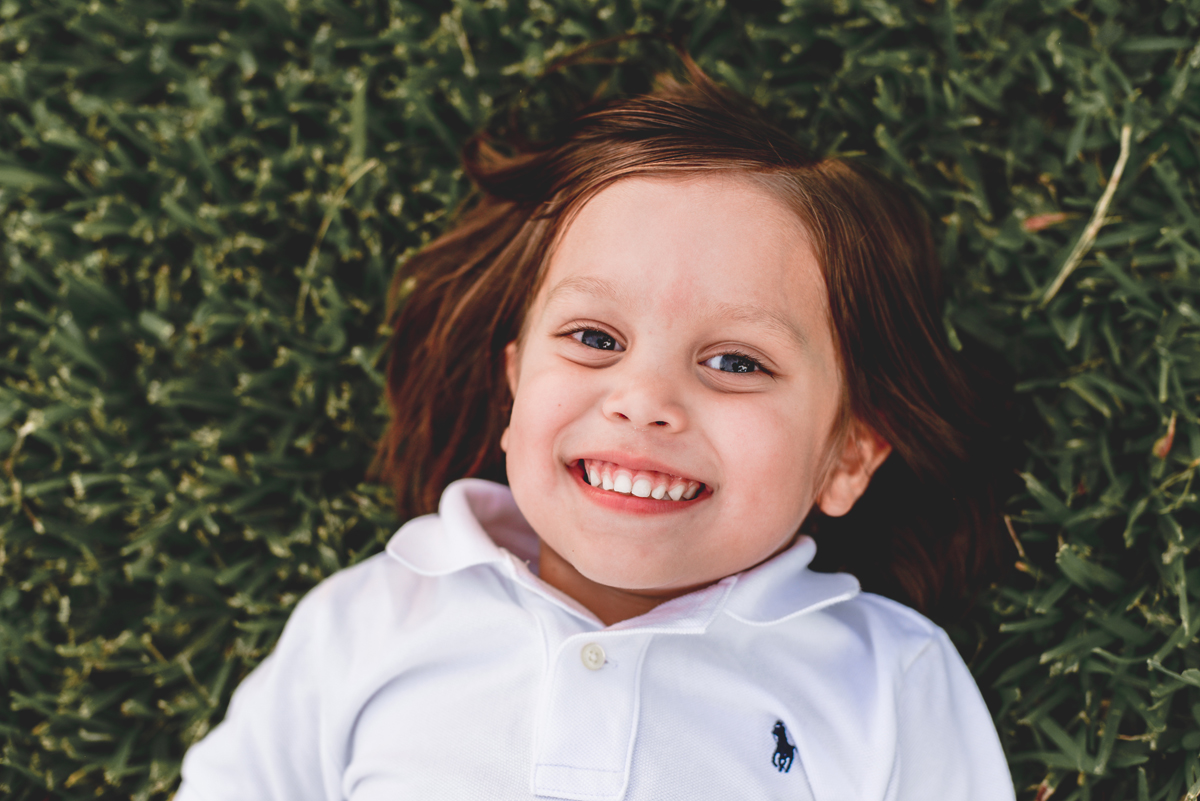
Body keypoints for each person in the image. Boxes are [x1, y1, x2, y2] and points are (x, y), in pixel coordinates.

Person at [176, 58, 1017, 801]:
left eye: (734, 362)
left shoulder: (883, 680)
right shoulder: (371, 622)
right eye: (595, 339)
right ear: (514, 386)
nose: (642, 398)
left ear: (848, 456)